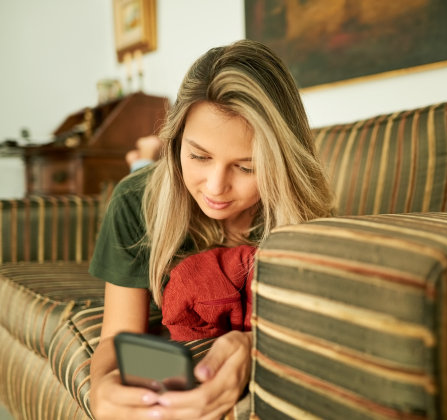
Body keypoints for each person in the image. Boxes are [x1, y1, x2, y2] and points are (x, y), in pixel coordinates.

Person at [89, 39, 334, 420]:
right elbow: (118, 337)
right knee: (141, 176)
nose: (216, 187)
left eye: (247, 167)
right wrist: (101, 388)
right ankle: (142, 160)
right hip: (153, 183)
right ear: (175, 144)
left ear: (281, 162)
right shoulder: (134, 202)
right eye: (199, 156)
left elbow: (313, 333)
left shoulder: (302, 219)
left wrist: (253, 349)